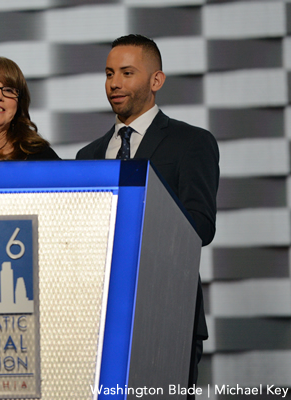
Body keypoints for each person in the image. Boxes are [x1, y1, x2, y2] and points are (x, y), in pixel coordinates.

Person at [76, 35, 219, 391]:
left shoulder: (192, 142)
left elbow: (199, 225)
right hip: (101, 321)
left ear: (156, 81)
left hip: (167, 316)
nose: (114, 83)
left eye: (127, 72)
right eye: (109, 73)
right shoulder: (87, 155)